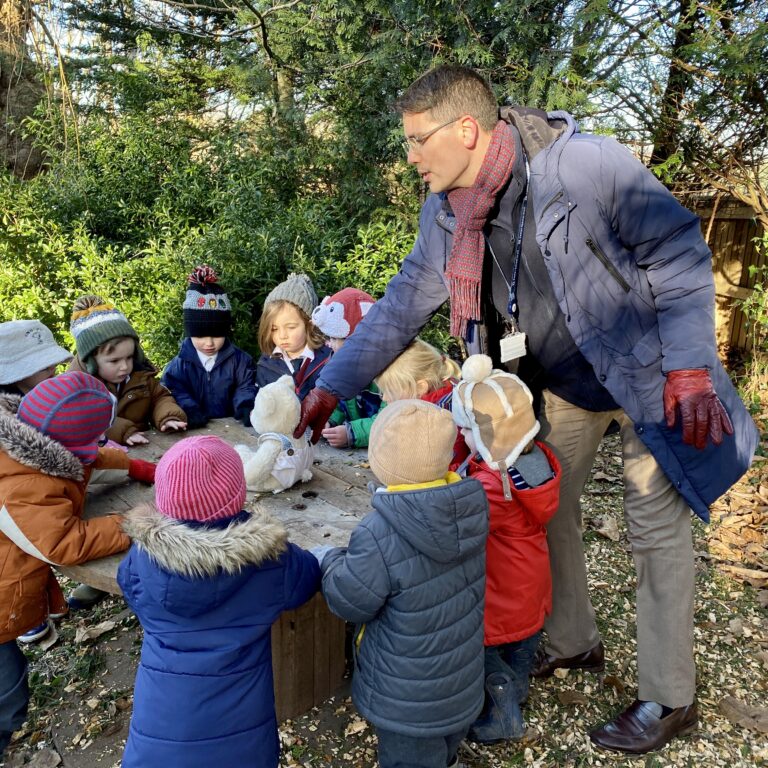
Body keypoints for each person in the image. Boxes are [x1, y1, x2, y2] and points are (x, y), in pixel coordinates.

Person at [295, 64, 758, 753]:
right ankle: (572, 641)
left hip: (653, 374)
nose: (412, 156)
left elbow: (677, 248)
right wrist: (332, 383)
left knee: (654, 534)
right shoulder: (447, 213)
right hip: (564, 384)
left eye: (419, 140)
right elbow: (400, 306)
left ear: (467, 130)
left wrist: (691, 365)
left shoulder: (585, 166)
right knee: (542, 511)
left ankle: (669, 696)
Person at [118, 435, 320, 768]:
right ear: (237, 493)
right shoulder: (270, 559)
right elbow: (307, 579)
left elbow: (131, 589)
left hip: (157, 741)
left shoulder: (140, 558)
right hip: (241, 742)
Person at [316, 399, 488, 768]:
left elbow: (350, 601)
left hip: (406, 697)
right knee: (446, 742)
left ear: (382, 462)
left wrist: (329, 560)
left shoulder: (379, 532)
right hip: (460, 678)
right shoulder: (471, 505)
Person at [0, 371, 154, 761]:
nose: (102, 443)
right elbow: (62, 543)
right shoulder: (21, 485)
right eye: (97, 436)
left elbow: (88, 459)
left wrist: (138, 468)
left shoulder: (35, 443)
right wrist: (132, 522)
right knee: (7, 694)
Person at [452, 354, 560, 744]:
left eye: (468, 431)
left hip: (500, 587)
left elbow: (459, 521)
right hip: (531, 580)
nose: (463, 438)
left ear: (491, 436)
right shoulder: (538, 461)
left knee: (484, 651)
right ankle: (517, 692)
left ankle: (502, 716)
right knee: (522, 644)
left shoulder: (492, 487)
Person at [69, 294, 188, 446]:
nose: (125, 366)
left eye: (129, 357)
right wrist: (123, 431)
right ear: (91, 361)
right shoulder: (76, 390)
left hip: (145, 449)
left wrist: (168, 416)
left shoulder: (142, 377)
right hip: (100, 457)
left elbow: (159, 398)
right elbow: (87, 419)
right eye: (114, 361)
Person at [161, 265, 257, 428]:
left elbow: (245, 386)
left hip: (233, 428)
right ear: (189, 333)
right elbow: (173, 390)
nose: (209, 343)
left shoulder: (241, 361)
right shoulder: (180, 365)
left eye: (217, 335)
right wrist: (189, 410)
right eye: (200, 335)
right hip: (193, 430)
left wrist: (246, 406)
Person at [375, 338, 469, 468]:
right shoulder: (451, 391)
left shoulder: (437, 416)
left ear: (420, 388)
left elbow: (438, 466)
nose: (384, 398)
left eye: (389, 391)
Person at [311, 288, 382, 448]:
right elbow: (341, 404)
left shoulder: (387, 375)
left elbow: (389, 420)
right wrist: (329, 421)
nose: (329, 344)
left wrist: (352, 433)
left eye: (335, 338)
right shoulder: (341, 368)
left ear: (357, 340)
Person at [256, 273, 332, 400]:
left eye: (291, 327)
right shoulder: (265, 364)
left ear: (310, 324)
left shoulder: (328, 360)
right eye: (274, 329)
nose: (282, 336)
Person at [0, 319, 72, 395]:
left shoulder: (54, 394)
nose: (52, 367)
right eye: (43, 365)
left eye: (53, 361)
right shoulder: (7, 405)